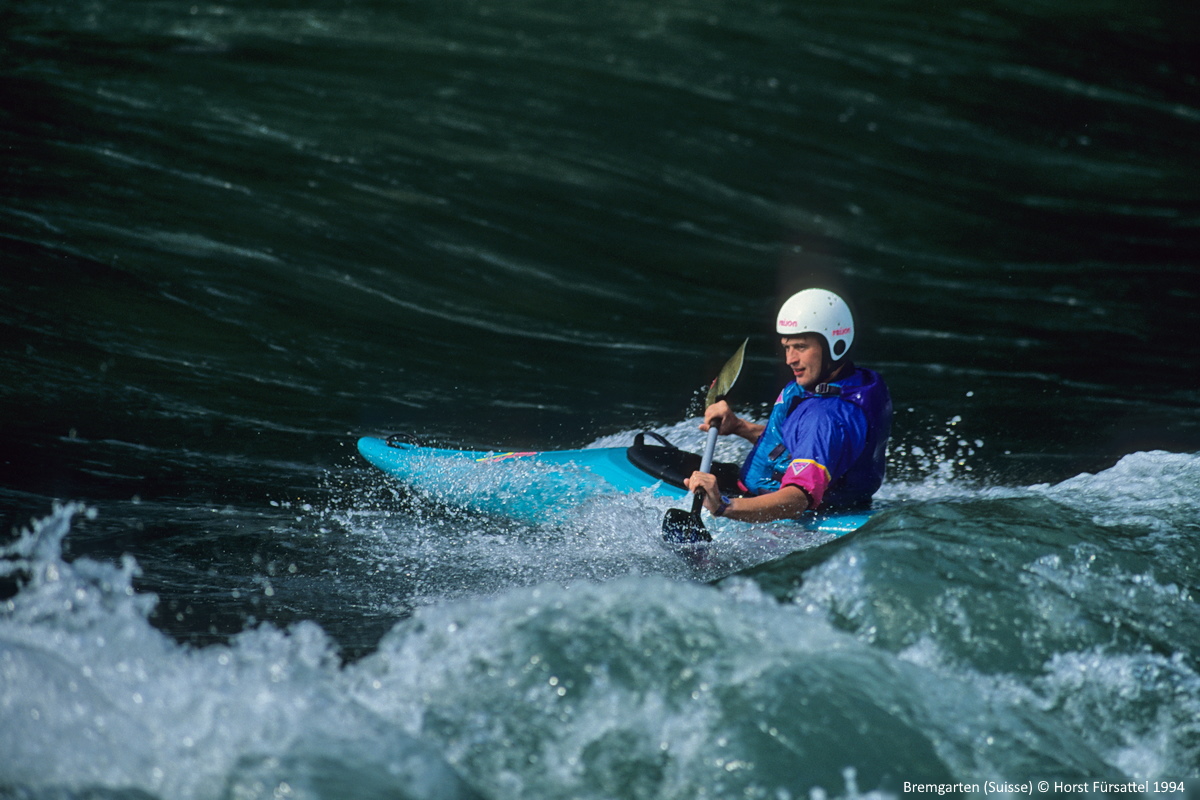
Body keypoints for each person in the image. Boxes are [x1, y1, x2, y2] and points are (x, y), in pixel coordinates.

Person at [684, 288, 892, 522]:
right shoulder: (849, 382)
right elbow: (801, 444)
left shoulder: (825, 418)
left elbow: (797, 499)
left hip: (778, 507)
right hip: (796, 494)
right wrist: (740, 427)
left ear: (837, 345)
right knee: (648, 456)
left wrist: (723, 507)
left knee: (645, 461)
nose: (790, 359)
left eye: (801, 347)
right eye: (787, 346)